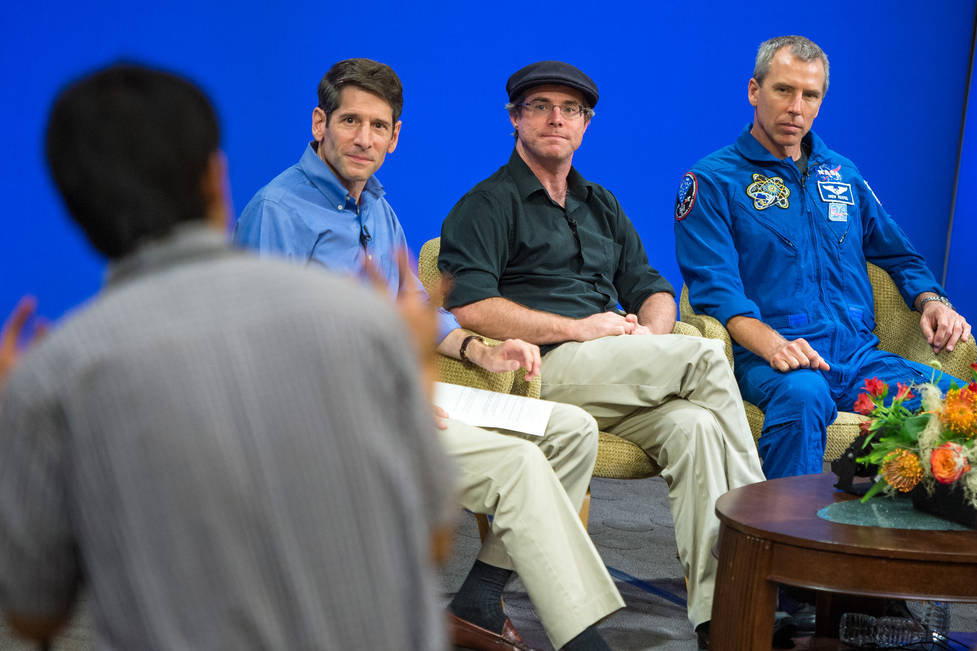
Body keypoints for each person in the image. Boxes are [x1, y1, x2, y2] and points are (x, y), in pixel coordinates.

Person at [0, 63, 456, 650]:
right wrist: (417, 369)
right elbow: (431, 542)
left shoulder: (54, 377)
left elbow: (31, 613)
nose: (366, 137)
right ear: (217, 179)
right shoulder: (359, 324)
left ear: (75, 209)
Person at [234, 58, 623, 651]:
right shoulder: (279, 211)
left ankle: (479, 597)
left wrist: (478, 348)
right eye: (349, 121)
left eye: (379, 126)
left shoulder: (376, 208)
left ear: (395, 137)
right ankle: (581, 637)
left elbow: (419, 309)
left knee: (571, 429)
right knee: (519, 465)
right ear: (320, 124)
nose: (364, 139)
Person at [437, 60, 769, 649]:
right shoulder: (487, 203)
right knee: (705, 360)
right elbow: (473, 307)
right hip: (545, 372)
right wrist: (579, 330)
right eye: (540, 106)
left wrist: (650, 335)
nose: (556, 119)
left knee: (694, 426)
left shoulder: (601, 205)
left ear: (586, 124)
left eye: (570, 110)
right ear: (515, 119)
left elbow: (653, 289)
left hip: (616, 371)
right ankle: (764, 533)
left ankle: (722, 617)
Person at [673, 35, 972, 480]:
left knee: (961, 409)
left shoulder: (842, 174)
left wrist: (931, 300)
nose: (796, 107)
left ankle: (913, 541)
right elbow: (716, 292)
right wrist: (773, 345)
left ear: (820, 102)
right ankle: (780, 542)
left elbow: (899, 254)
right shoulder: (712, 180)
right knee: (805, 394)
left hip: (859, 361)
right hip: (768, 362)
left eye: (809, 95)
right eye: (783, 90)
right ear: (755, 91)